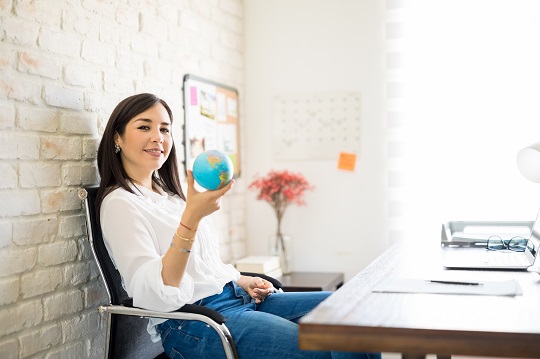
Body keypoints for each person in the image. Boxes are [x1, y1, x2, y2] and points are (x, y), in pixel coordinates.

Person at [96, 93, 381, 359]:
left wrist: (237, 280)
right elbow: (156, 292)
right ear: (117, 138)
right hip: (196, 323)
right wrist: (191, 221)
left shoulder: (170, 196)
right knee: (322, 347)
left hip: (237, 299)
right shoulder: (121, 204)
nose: (158, 138)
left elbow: (202, 267)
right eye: (144, 127)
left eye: (165, 129)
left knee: (357, 314)